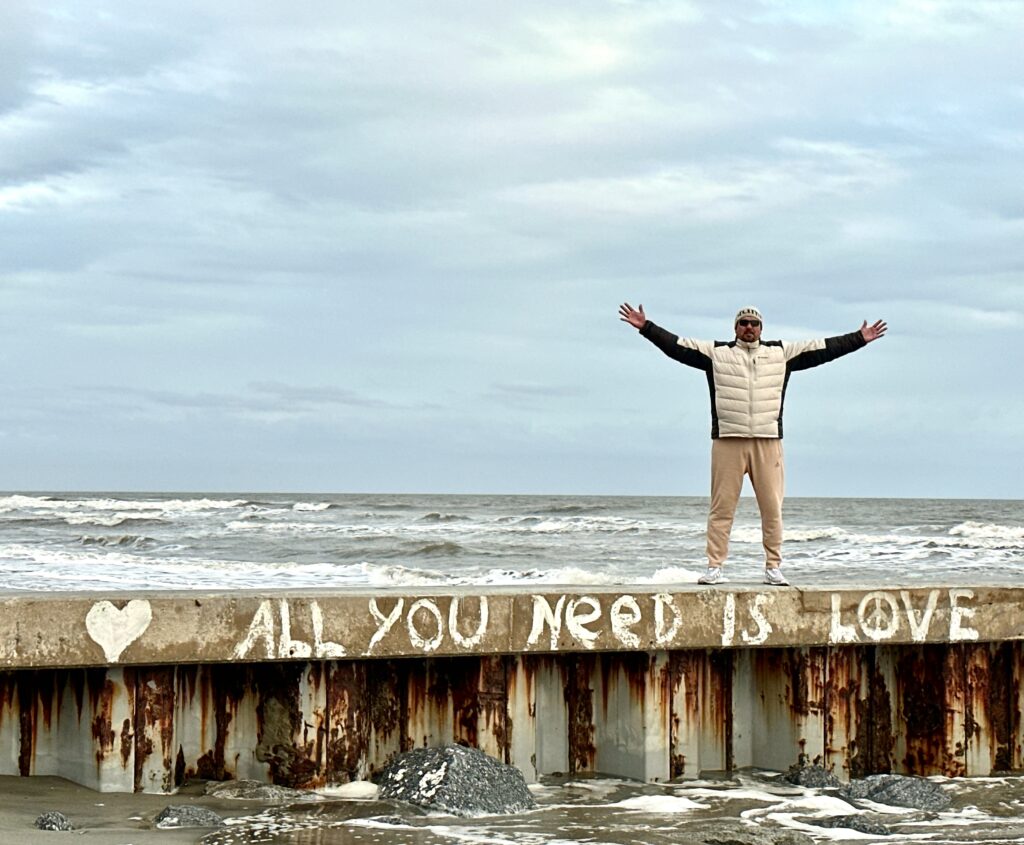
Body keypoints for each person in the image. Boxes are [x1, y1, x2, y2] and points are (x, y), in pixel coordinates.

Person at [618, 303, 886, 586]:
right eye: (743, 322)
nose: (749, 327)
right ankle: (715, 567)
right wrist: (646, 328)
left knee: (772, 509)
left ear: (761, 329)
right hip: (728, 441)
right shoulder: (716, 353)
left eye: (754, 323)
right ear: (735, 327)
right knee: (721, 510)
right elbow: (676, 346)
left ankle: (773, 567)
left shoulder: (781, 353)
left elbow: (823, 348)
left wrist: (859, 339)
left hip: (767, 441)